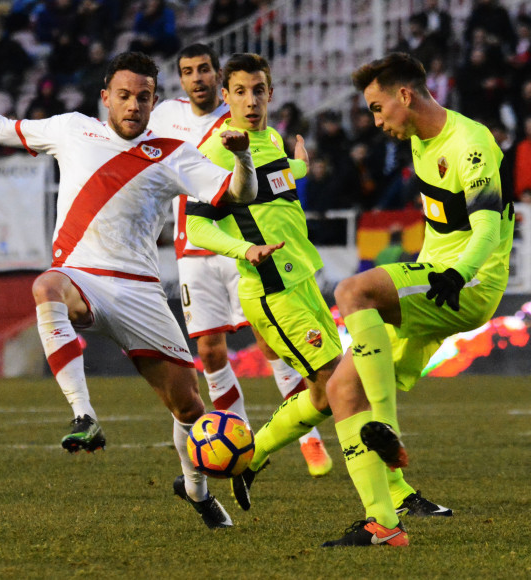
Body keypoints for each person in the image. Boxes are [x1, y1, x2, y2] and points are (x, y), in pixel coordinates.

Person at [0, 52, 259, 529]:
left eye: (144, 98)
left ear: (155, 101)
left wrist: (242, 156)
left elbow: (240, 194)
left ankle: (195, 490)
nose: (134, 106)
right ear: (106, 97)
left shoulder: (173, 152)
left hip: (140, 293)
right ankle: (83, 415)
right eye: (125, 96)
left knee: (190, 407)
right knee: (46, 284)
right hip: (81, 276)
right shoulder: (71, 129)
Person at [185, 53, 451, 534]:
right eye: (240, 91)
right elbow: (197, 224)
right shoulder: (218, 150)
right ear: (224, 96)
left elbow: (274, 182)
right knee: (341, 386)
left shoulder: (267, 141)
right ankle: (393, 496)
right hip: (272, 290)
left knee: (325, 394)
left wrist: (299, 167)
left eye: (258, 90)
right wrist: (245, 249)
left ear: (271, 92)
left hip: (302, 281)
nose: (250, 100)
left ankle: (251, 459)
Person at [321, 52, 514, 547]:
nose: (376, 119)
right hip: (434, 278)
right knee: (342, 391)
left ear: (404, 95)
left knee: (352, 289)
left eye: (377, 107)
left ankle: (386, 426)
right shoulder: (420, 141)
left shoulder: (471, 143)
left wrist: (459, 272)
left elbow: (487, 229)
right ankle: (384, 524)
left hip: (468, 282)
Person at [147, 43, 333, 477]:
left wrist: (298, 167)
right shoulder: (168, 120)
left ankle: (304, 439)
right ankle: (242, 441)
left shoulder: (255, 131)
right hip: (203, 251)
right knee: (211, 352)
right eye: (188, 71)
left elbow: (271, 177)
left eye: (204, 70)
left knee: (273, 345)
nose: (197, 78)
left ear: (217, 79)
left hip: (250, 252)